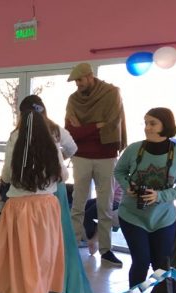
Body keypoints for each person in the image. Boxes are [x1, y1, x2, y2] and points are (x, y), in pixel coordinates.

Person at [0, 110, 67, 293]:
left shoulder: (16, 146)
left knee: (16, 255)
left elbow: (7, 176)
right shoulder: (53, 147)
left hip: (19, 208)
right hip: (46, 208)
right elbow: (63, 174)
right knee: (41, 254)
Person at [114, 108, 176, 293]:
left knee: (162, 263)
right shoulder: (134, 149)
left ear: (165, 125)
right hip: (132, 215)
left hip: (163, 219)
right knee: (141, 261)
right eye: (146, 122)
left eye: (153, 123)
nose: (147, 127)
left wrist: (161, 195)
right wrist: (128, 186)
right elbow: (119, 171)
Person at [16, 95, 94, 293]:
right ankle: (53, 286)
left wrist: (53, 162)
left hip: (43, 188)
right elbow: (73, 149)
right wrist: (56, 160)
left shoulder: (26, 133)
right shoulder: (56, 129)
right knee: (55, 239)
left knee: (41, 240)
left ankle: (38, 287)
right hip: (52, 185)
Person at [65, 63, 127, 267]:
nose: (78, 84)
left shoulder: (111, 93)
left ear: (90, 76)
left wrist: (84, 129)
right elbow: (71, 132)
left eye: (80, 80)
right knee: (77, 204)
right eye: (75, 81)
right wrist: (96, 126)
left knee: (106, 205)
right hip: (81, 155)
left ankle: (106, 250)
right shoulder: (73, 99)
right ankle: (73, 245)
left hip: (106, 155)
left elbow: (112, 123)